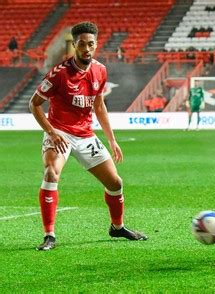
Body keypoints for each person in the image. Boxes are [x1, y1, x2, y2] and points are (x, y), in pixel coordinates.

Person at [29, 22, 148, 251]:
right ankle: (49, 235)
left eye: (90, 44)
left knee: (115, 183)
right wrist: (51, 133)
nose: (86, 48)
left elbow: (99, 106)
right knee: (51, 173)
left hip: (85, 135)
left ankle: (117, 227)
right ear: (74, 45)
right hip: (60, 132)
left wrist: (112, 139)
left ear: (96, 45)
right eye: (81, 44)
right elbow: (34, 104)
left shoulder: (100, 71)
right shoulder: (59, 74)